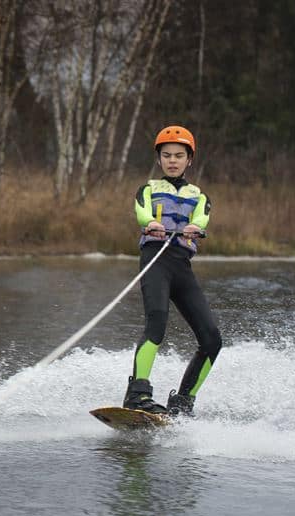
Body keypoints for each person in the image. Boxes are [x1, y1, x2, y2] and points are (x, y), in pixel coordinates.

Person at [123, 125, 222, 416]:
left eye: (179, 155)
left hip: (181, 266)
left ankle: (183, 403)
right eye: (166, 155)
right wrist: (151, 224)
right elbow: (141, 211)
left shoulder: (199, 196)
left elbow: (202, 218)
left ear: (189, 159)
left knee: (212, 339)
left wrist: (196, 228)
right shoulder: (148, 189)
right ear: (159, 159)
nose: (173, 160)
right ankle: (137, 395)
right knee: (157, 323)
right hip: (155, 259)